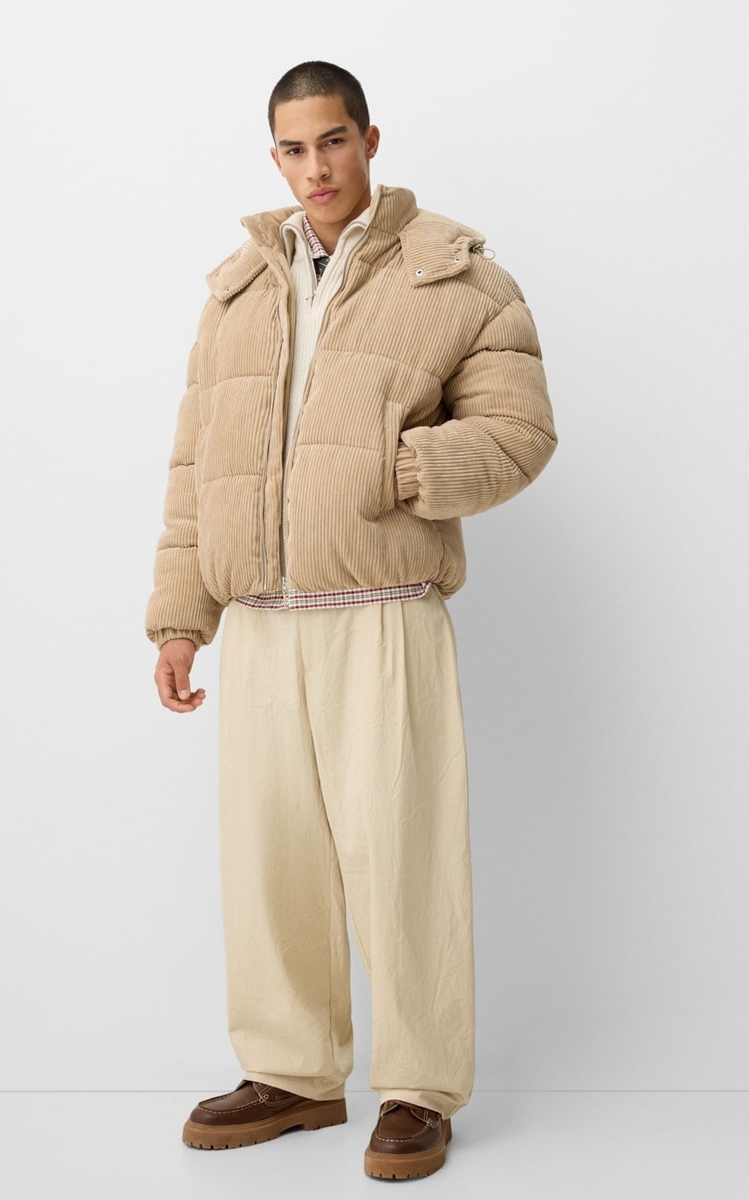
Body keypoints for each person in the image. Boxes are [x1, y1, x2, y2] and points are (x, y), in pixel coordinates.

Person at [146, 60, 556, 1181]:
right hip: (260, 622)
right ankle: (292, 1072)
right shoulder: (238, 289)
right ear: (273, 156)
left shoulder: (455, 275)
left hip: (383, 613)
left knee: (402, 854)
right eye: (292, 148)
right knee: (268, 859)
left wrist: (393, 468)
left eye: (332, 141)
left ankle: (418, 1088)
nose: (314, 167)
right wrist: (181, 616)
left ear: (369, 140)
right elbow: (195, 466)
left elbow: (519, 433)